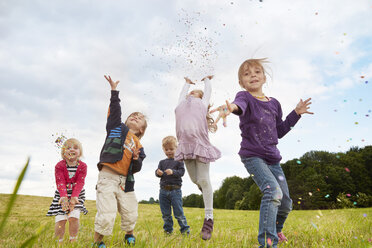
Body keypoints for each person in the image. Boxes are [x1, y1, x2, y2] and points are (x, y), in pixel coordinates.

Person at [211, 58, 313, 248]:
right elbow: (238, 105)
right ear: (241, 82)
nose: (253, 76)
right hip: (253, 156)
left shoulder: (274, 103)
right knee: (272, 191)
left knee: (286, 203)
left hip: (273, 159)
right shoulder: (245, 97)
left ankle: (276, 229)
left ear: (264, 77)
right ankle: (267, 243)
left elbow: (280, 131)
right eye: (247, 74)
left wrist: (296, 113)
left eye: (257, 72)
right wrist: (229, 108)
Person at [92, 75, 147, 248]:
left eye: (139, 118)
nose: (136, 116)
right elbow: (115, 112)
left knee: (130, 212)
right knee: (107, 213)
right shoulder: (116, 128)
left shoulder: (139, 145)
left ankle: (129, 235)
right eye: (133, 115)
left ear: (142, 129)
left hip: (126, 182)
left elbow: (137, 168)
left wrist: (137, 159)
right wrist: (114, 92)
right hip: (107, 177)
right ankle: (97, 242)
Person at [174, 75, 221, 240]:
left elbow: (207, 91)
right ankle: (204, 189)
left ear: (203, 99)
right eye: (190, 92)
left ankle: (209, 218)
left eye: (196, 92)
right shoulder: (181, 105)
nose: (192, 94)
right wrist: (186, 83)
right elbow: (182, 94)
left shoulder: (202, 104)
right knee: (195, 179)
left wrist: (207, 80)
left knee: (204, 179)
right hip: (185, 146)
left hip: (200, 145)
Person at [46, 138, 88, 245]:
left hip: (77, 195)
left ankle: (73, 239)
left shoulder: (83, 166)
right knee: (61, 220)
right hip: (61, 195)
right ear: (63, 152)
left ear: (80, 152)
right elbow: (60, 182)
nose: (71, 150)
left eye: (75, 147)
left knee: (73, 217)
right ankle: (58, 242)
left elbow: (80, 182)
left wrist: (74, 199)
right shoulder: (59, 166)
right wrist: (64, 198)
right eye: (68, 148)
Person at [156, 136, 190, 235]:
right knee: (166, 214)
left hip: (175, 191)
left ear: (177, 149)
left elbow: (181, 172)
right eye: (166, 149)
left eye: (171, 149)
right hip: (163, 191)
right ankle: (168, 231)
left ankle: (185, 230)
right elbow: (157, 172)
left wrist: (173, 172)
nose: (169, 151)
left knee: (178, 213)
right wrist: (158, 173)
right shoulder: (162, 162)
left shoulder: (179, 161)